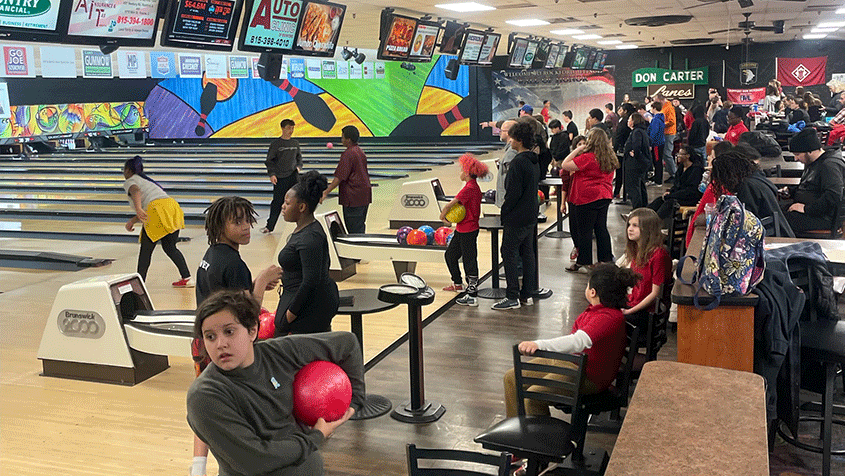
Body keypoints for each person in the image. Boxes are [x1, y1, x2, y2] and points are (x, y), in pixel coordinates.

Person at [186, 290, 364, 476]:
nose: (220, 344)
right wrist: (315, 437)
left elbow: (346, 343)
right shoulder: (204, 395)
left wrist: (355, 403)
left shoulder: (278, 353)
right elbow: (255, 460)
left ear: (252, 330)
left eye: (229, 332)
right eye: (210, 336)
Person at [192, 195, 282, 476]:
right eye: (237, 222)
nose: (246, 227)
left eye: (248, 221)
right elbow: (247, 314)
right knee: (229, 406)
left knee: (206, 402)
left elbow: (225, 298)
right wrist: (262, 282)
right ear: (221, 226)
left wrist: (252, 286)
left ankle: (198, 466)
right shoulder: (233, 263)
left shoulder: (212, 255)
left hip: (204, 341)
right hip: (225, 343)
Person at [503, 263, 639, 417]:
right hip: (573, 364)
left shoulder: (608, 317)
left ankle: (538, 433)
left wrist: (538, 344)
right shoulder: (599, 312)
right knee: (512, 378)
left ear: (592, 292)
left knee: (535, 396)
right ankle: (517, 427)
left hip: (588, 377)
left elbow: (577, 342)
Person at [276, 170, 339, 335]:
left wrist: (290, 315)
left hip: (308, 308)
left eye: (287, 203)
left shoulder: (310, 237)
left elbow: (311, 281)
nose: (283, 206)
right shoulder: (305, 229)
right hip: (303, 300)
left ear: (302, 207)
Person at [121, 155, 192, 286]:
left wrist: (137, 209)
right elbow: (149, 206)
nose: (123, 173)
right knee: (170, 247)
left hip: (157, 211)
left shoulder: (131, 181)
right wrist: (133, 220)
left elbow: (136, 191)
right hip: (172, 208)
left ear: (128, 171)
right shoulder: (146, 181)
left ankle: (139, 282)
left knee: (146, 251)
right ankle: (187, 277)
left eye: (123, 170)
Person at [494, 121, 539, 310]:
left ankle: (512, 296)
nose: (510, 141)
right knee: (527, 253)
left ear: (519, 140)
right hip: (530, 214)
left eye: (512, 137)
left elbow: (513, 193)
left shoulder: (518, 162)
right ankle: (527, 294)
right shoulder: (533, 160)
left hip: (517, 216)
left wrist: (505, 211)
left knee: (508, 252)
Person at [563, 128, 618, 273]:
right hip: (604, 195)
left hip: (586, 197)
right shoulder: (610, 157)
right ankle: (605, 259)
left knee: (584, 231)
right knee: (601, 228)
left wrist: (578, 149)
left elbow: (565, 164)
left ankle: (583, 262)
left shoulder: (587, 157)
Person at [440, 154, 488, 306]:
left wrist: (442, 216)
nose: (460, 172)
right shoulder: (471, 186)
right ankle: (458, 283)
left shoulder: (470, 187)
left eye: (461, 170)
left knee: (469, 260)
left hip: (469, 229)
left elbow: (450, 205)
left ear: (467, 172)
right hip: (462, 228)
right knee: (450, 255)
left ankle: (472, 294)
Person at [780, 128, 845, 235]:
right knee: (775, 210)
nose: (796, 159)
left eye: (797, 154)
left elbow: (833, 195)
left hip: (823, 218)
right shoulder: (813, 162)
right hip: (813, 212)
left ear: (810, 151)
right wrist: (791, 191)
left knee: (778, 221)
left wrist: (806, 209)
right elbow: (811, 186)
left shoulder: (829, 165)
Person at [619, 208, 671, 331]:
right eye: (629, 225)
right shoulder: (638, 251)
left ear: (648, 229)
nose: (630, 229)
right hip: (634, 303)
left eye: (635, 226)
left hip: (647, 312)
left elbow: (655, 294)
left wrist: (629, 311)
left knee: (607, 320)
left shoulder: (658, 255)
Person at [322, 125, 371, 234]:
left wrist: (326, 192)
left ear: (348, 140)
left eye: (342, 137)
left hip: (353, 197)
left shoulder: (348, 154)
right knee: (359, 227)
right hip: (364, 195)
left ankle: (358, 245)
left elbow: (339, 177)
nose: (341, 139)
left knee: (354, 230)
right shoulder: (360, 151)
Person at [262, 119, 302, 234]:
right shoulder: (276, 144)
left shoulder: (295, 143)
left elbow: (299, 158)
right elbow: (269, 161)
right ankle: (270, 226)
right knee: (277, 202)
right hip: (280, 177)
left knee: (298, 200)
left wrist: (298, 167)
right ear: (283, 128)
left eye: (292, 128)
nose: (291, 130)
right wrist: (272, 174)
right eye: (289, 128)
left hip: (293, 176)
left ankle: (301, 225)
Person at [647, 146, 704, 221]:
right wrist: (670, 192)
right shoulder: (681, 168)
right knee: (659, 200)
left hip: (689, 198)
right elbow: (676, 185)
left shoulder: (696, 170)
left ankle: (656, 221)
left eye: (681, 154)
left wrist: (672, 195)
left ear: (687, 156)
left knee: (669, 203)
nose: (678, 156)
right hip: (678, 194)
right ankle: (644, 215)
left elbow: (690, 190)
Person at [561, 135, 587, 262]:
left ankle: (582, 252)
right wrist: (562, 203)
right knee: (573, 227)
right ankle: (576, 246)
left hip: (584, 199)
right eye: (579, 144)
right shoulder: (569, 164)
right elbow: (565, 185)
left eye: (584, 144)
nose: (582, 146)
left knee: (583, 227)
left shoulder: (588, 161)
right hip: (571, 199)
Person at [623, 113, 652, 210]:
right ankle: (643, 206)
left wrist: (635, 154)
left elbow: (637, 146)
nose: (628, 121)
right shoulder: (641, 131)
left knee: (633, 187)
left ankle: (637, 208)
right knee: (640, 185)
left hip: (635, 164)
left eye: (629, 119)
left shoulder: (636, 132)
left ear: (633, 121)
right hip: (641, 163)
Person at [657, 93, 677, 183]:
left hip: (669, 133)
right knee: (665, 154)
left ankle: (674, 174)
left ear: (660, 100)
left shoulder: (669, 107)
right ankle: (672, 173)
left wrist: (661, 124)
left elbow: (671, 121)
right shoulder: (664, 107)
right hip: (665, 133)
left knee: (667, 154)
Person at [647, 101, 666, 185]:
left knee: (657, 161)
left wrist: (650, 143)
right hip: (660, 142)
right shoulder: (661, 118)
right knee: (658, 161)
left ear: (654, 108)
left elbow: (653, 133)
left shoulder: (655, 120)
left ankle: (658, 181)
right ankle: (657, 178)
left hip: (656, 144)